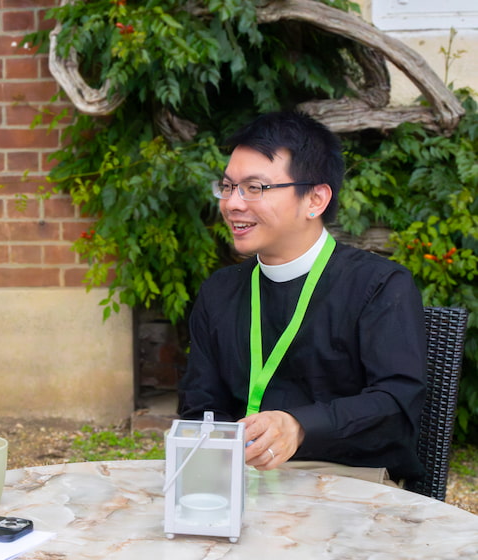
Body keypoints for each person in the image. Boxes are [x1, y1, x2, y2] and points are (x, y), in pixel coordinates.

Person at [179, 111, 426, 485]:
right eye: (227, 187)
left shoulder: (378, 285)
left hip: (349, 481)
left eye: (255, 188)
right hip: (241, 477)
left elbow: (395, 404)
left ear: (315, 199)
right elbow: (200, 408)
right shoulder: (220, 291)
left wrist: (299, 426)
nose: (232, 204)